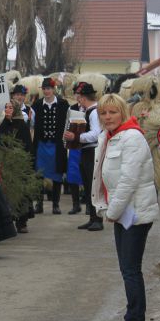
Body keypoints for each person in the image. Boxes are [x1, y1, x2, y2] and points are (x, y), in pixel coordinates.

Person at [90, 94, 158, 321]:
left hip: (134, 212)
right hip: (123, 212)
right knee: (126, 269)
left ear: (122, 113)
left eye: (112, 113)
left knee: (131, 270)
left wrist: (113, 211)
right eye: (103, 113)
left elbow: (128, 180)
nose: (107, 117)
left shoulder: (132, 138)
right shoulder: (109, 137)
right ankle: (131, 320)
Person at [63, 82, 103, 231]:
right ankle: (93, 218)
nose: (78, 100)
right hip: (87, 152)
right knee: (88, 186)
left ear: (84, 98)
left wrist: (76, 136)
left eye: (79, 97)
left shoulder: (93, 112)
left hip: (92, 152)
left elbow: (96, 134)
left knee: (93, 186)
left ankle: (97, 219)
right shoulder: (91, 110)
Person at [33, 77, 68, 215]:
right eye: (44, 89)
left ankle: (56, 204)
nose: (46, 91)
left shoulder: (63, 104)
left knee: (57, 173)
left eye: (49, 88)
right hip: (41, 144)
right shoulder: (36, 105)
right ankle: (39, 204)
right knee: (38, 174)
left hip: (57, 145)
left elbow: (68, 122)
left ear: (53, 89)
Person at [0, 101, 34, 233]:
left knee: (21, 194)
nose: (7, 110)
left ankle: (22, 221)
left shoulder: (21, 126)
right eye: (6, 107)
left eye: (10, 108)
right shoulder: (4, 124)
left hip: (19, 165)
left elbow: (27, 146)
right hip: (6, 165)